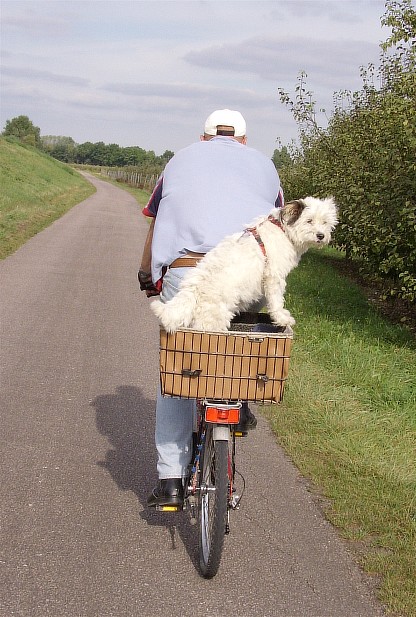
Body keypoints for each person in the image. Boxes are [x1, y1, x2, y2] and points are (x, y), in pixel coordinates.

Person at [139, 109, 283, 508]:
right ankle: (240, 402)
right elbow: (277, 224)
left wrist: (148, 277)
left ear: (203, 138)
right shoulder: (265, 165)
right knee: (242, 339)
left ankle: (170, 479)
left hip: (187, 271)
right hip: (245, 273)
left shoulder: (179, 158)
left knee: (179, 365)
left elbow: (155, 216)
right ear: (243, 141)